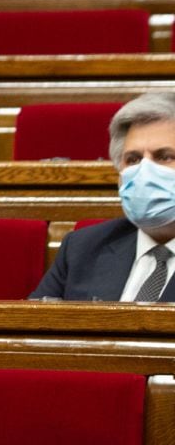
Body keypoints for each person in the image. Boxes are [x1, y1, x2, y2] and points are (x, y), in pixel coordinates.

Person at [31, 92, 175, 301]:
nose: (144, 172)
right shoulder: (82, 248)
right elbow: (32, 327)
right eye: (133, 160)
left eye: (165, 157)